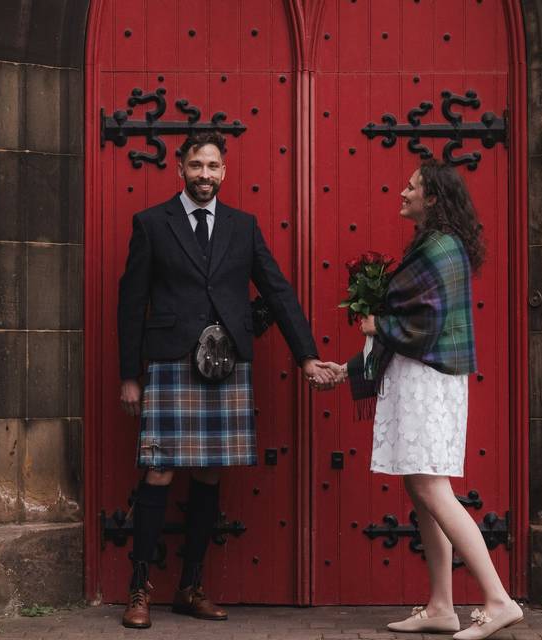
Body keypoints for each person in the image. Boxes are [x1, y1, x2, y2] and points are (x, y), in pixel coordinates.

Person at [117, 131, 337, 629]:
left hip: (226, 364)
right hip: (171, 362)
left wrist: (306, 356)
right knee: (160, 471)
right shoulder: (152, 223)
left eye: (213, 166)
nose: (204, 175)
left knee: (210, 473)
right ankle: (139, 588)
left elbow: (277, 291)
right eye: (196, 165)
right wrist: (130, 376)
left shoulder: (243, 226)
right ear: (180, 168)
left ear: (225, 171)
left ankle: (190, 587)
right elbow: (131, 304)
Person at [321, 160, 523, 640]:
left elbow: (423, 324)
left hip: (429, 381)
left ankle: (498, 600)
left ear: (433, 198)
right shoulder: (432, 245)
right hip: (418, 377)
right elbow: (413, 321)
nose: (402, 191)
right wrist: (347, 367)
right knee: (420, 490)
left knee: (434, 489)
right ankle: (440, 605)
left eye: (411, 186)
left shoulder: (440, 248)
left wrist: (376, 324)